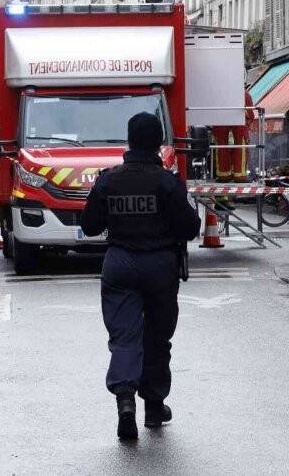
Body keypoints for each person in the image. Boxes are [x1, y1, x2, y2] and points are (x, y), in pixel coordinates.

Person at [80, 112, 201, 441]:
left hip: (119, 263)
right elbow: (191, 228)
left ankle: (125, 403)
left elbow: (89, 225)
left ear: (129, 141)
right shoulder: (167, 182)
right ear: (158, 142)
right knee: (158, 338)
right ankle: (154, 406)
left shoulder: (109, 179)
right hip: (160, 265)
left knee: (124, 338)